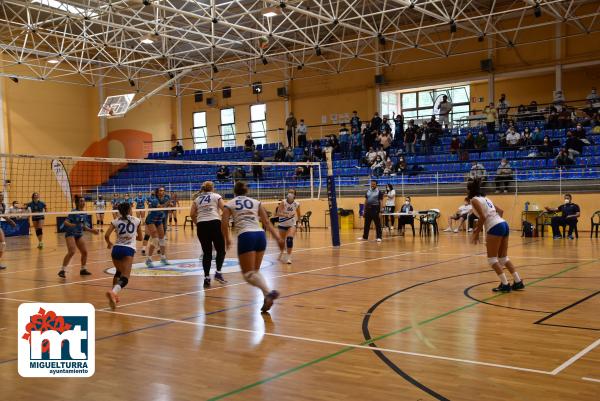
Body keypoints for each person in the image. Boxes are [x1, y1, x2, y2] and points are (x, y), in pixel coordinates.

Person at [221, 181, 284, 312]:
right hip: (260, 235)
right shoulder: (256, 202)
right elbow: (266, 222)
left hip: (246, 235)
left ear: (234, 191)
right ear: (246, 191)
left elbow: (224, 223)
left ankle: (269, 292)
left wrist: (227, 239)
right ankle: (267, 297)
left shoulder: (229, 204)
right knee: (255, 272)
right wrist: (277, 237)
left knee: (248, 274)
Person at [468, 179, 524, 292]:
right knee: (503, 258)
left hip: (495, 226)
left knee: (492, 260)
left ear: (469, 191)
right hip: (503, 223)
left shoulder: (474, 200)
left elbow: (483, 217)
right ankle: (518, 282)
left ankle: (505, 284)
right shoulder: (486, 199)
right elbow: (501, 211)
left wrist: (476, 233)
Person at [104, 202, 143, 309]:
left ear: (120, 211)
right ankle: (113, 292)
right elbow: (140, 238)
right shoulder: (136, 221)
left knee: (118, 272)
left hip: (116, 249)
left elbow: (106, 235)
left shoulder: (115, 221)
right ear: (130, 210)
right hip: (128, 250)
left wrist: (109, 243)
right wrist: (132, 236)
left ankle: (113, 295)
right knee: (125, 278)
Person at [190, 181, 227, 288]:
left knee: (207, 253)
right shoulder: (216, 196)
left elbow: (192, 214)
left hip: (202, 225)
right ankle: (218, 273)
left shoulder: (197, 199)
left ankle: (206, 278)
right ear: (212, 188)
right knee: (221, 250)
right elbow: (224, 208)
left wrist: (198, 224)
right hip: (215, 223)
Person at [58, 195, 99, 278]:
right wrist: (72, 225)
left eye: (83, 201)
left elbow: (84, 227)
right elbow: (65, 222)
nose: (83, 202)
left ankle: (83, 269)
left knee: (85, 252)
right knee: (72, 251)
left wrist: (92, 231)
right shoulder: (74, 211)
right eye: (81, 201)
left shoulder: (84, 213)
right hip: (70, 234)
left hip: (79, 234)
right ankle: (62, 270)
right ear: (77, 203)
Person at [144, 187, 170, 267]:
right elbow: (160, 207)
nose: (162, 192)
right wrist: (168, 203)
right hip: (151, 219)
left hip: (159, 218)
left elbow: (168, 205)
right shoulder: (154, 199)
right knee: (155, 239)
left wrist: (170, 203)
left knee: (162, 238)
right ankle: (148, 259)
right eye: (160, 190)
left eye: (163, 190)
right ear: (157, 192)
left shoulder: (166, 197)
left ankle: (163, 258)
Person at [276, 189, 301, 264]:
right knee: (282, 241)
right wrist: (286, 215)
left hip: (291, 224)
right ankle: (282, 252)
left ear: (294, 195)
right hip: (282, 223)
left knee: (289, 239)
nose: (290, 193)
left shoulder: (297, 204)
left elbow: (299, 214)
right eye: (289, 192)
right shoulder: (283, 202)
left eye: (292, 192)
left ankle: (289, 257)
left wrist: (299, 222)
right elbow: (278, 213)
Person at [0, 194, 16, 270]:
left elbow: (2, 215)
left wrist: (10, 221)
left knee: (3, 244)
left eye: (2, 196)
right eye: (0, 196)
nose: (2, 197)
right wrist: (10, 221)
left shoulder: (3, 205)